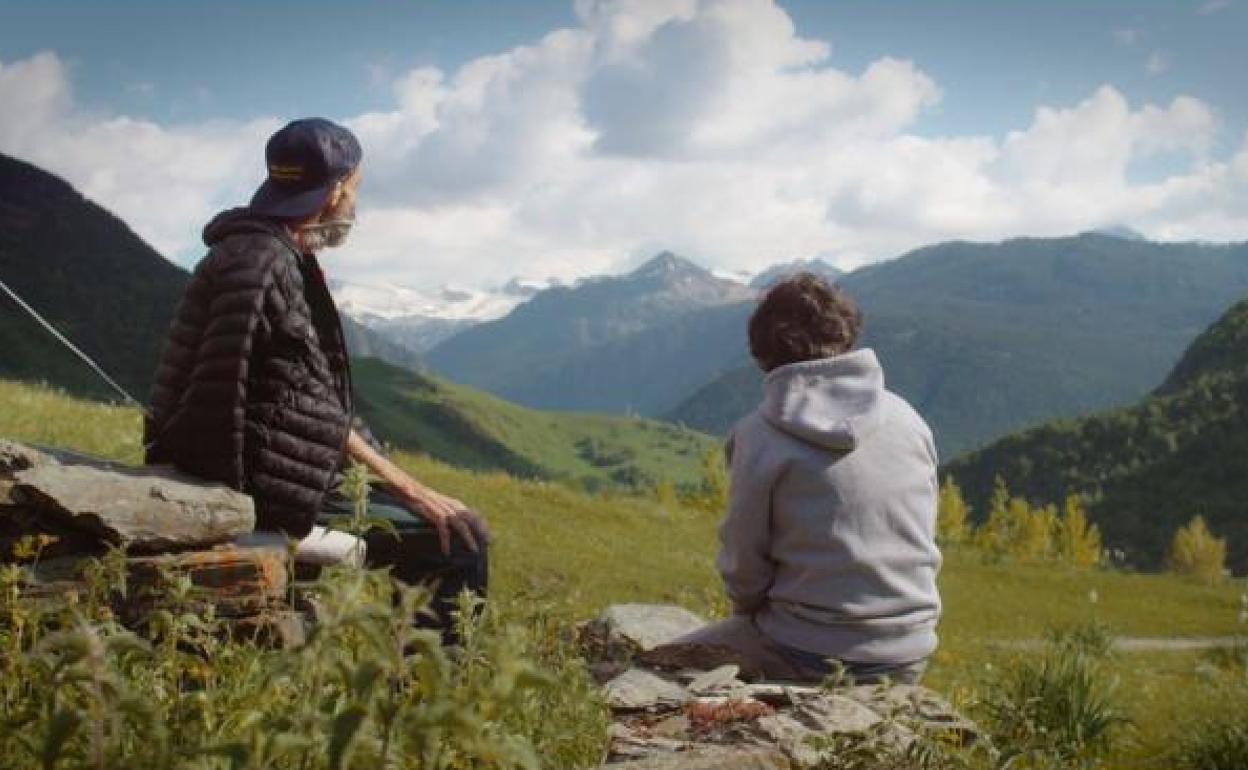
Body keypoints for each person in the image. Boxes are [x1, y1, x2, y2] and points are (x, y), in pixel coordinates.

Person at [144, 117, 489, 639]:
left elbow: (279, 389)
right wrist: (413, 490)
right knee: (460, 539)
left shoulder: (254, 252)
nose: (354, 202)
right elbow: (293, 402)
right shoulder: (266, 263)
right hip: (264, 486)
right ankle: (431, 702)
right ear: (334, 192)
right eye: (355, 189)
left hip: (264, 469)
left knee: (439, 524)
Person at [662, 273, 941, 683]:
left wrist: (750, 615)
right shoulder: (908, 419)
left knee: (658, 667)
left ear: (762, 352)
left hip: (807, 650)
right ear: (846, 334)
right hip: (910, 651)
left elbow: (744, 566)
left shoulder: (759, 435)